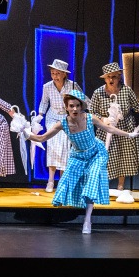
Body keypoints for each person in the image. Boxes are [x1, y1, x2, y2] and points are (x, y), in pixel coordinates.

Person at [27, 89, 139, 234]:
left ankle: (87, 220)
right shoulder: (62, 124)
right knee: (66, 182)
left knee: (91, 182)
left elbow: (109, 128)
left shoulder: (90, 118)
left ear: (81, 106)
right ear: (66, 107)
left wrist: (129, 134)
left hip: (96, 154)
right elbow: (42, 138)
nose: (75, 109)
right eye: (71, 106)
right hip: (78, 156)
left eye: (77, 105)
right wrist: (26, 134)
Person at [89, 62, 139, 191]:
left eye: (114, 76)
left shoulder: (126, 90)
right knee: (106, 157)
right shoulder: (98, 93)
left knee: (123, 157)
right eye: (108, 77)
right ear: (104, 78)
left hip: (125, 127)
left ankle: (120, 185)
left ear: (119, 76)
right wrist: (104, 119)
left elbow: (137, 106)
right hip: (106, 129)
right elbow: (92, 112)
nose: (111, 79)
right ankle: (102, 186)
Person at [35, 58, 83, 193]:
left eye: (57, 73)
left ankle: (62, 181)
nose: (55, 76)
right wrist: (40, 115)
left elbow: (82, 99)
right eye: (53, 73)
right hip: (52, 117)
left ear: (64, 74)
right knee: (53, 146)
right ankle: (50, 180)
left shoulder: (72, 85)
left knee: (64, 147)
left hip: (67, 118)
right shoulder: (47, 86)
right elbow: (44, 102)